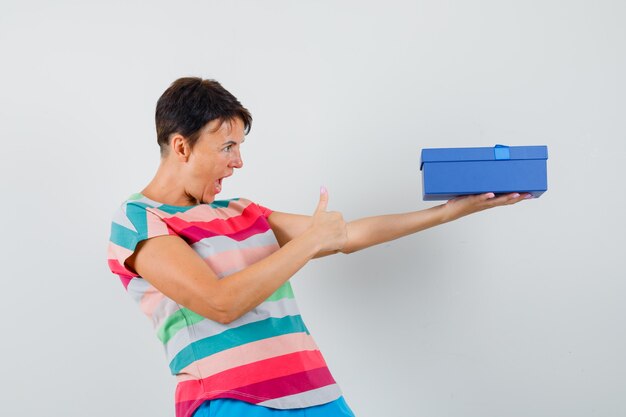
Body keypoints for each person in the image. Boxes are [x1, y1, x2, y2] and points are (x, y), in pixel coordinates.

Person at [107, 77, 531, 417]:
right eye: (227, 147)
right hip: (232, 400)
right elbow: (220, 303)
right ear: (182, 146)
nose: (238, 162)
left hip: (315, 392)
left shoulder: (240, 209)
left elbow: (344, 235)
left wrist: (450, 212)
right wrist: (310, 242)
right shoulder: (140, 219)